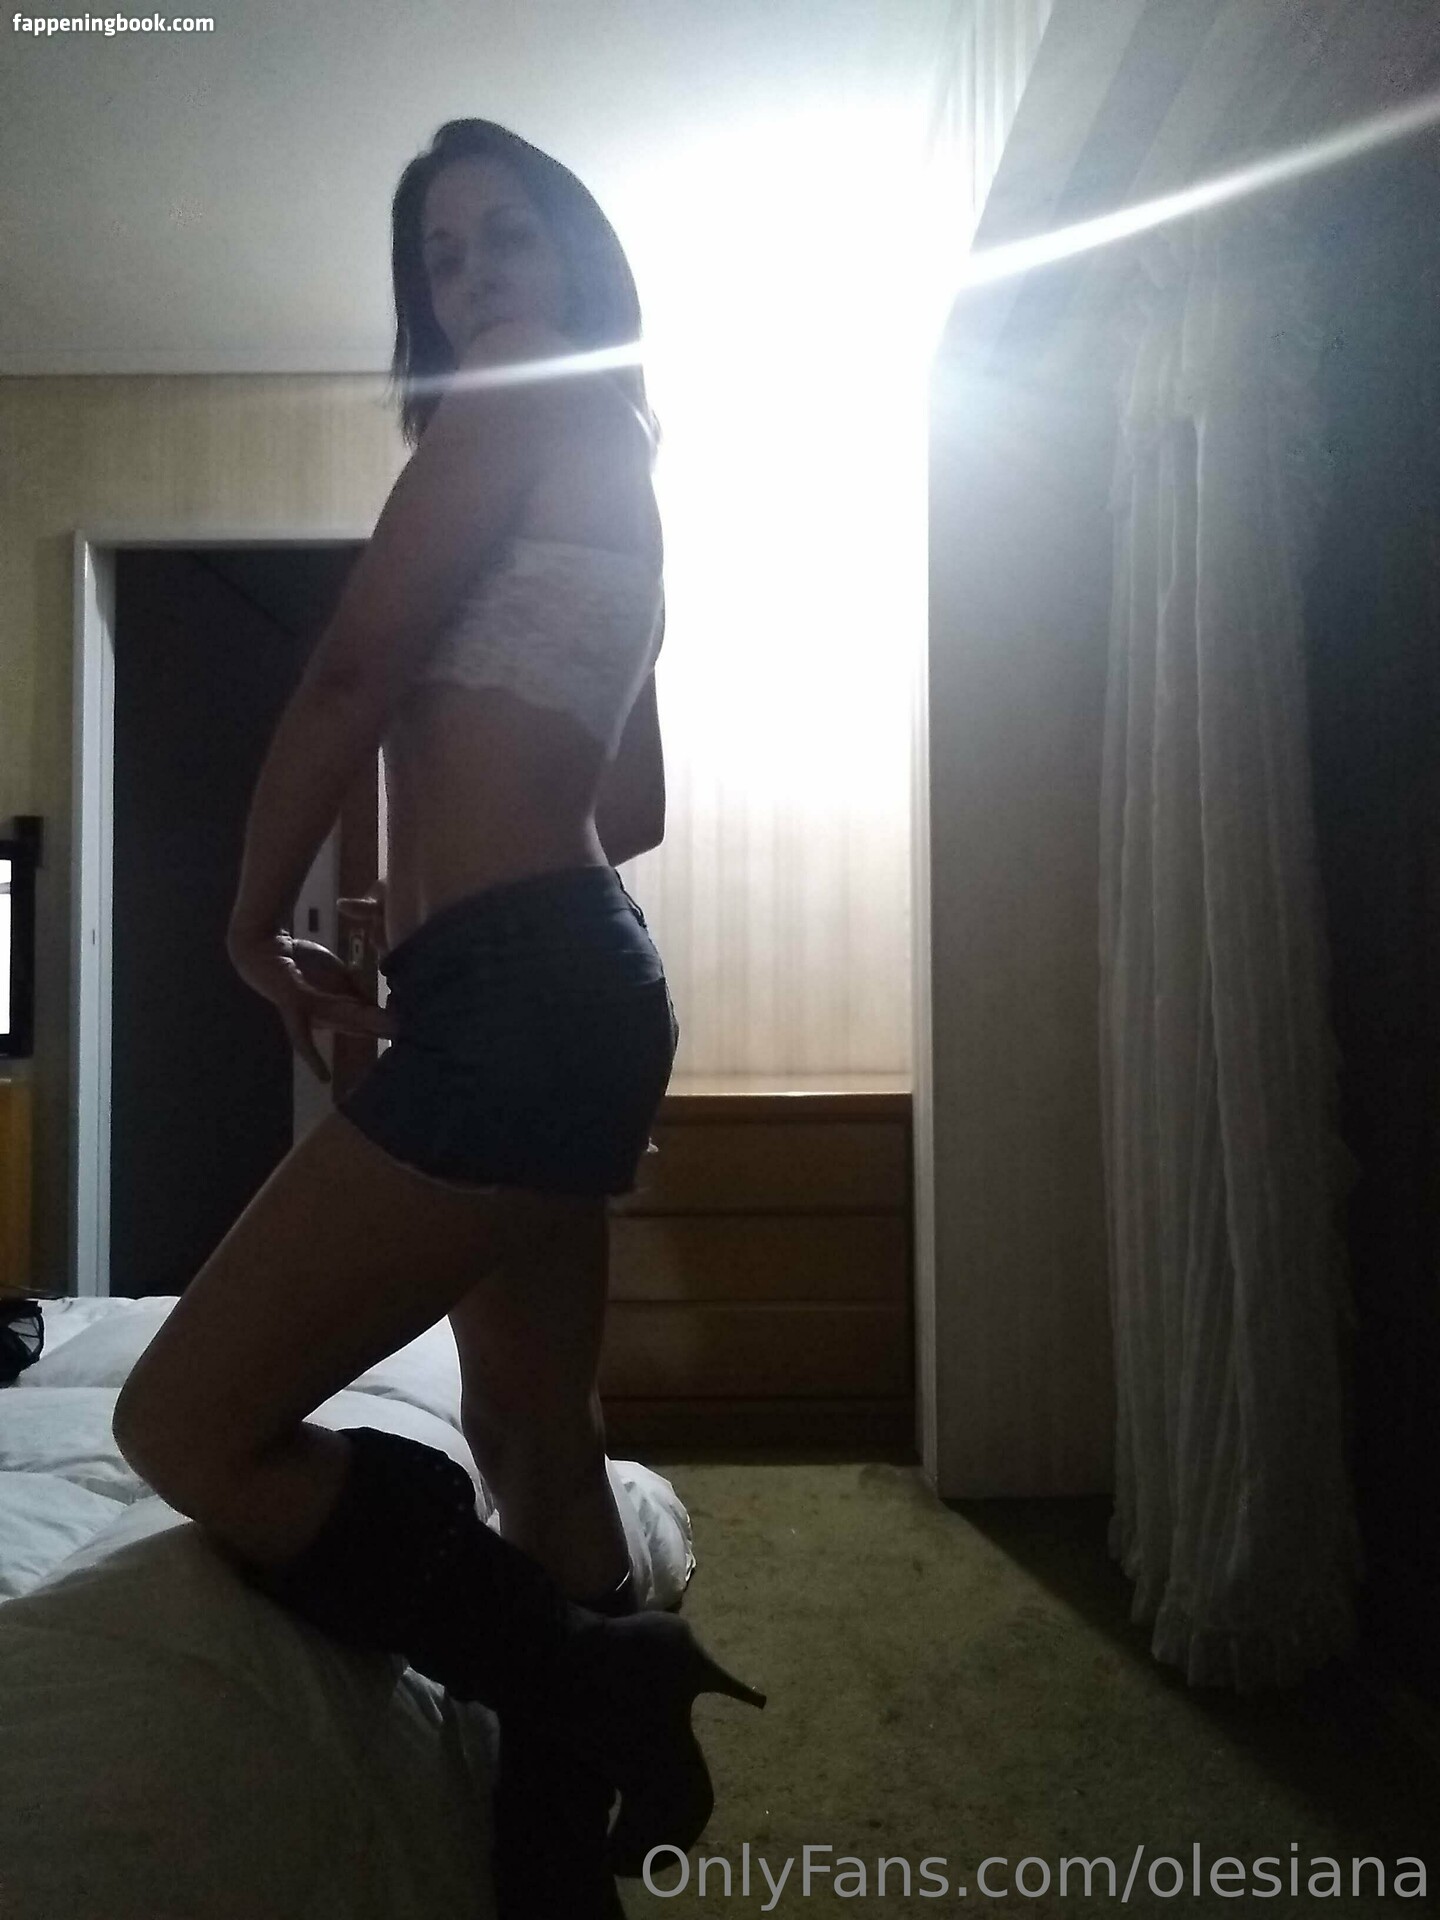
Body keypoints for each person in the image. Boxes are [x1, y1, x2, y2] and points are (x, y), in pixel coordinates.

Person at [110, 119, 763, 1917]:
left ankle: (588, 1675)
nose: (474, 280)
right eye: (442, 257)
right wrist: (441, 877)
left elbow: (347, 673)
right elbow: (630, 803)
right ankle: (555, 1858)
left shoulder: (511, 399)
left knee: (185, 1427)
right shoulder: (621, 454)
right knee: (533, 1432)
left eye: (506, 238)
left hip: (522, 991)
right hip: (578, 974)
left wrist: (252, 924)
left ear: (575, 259)